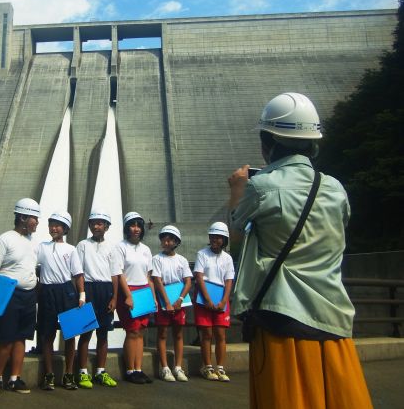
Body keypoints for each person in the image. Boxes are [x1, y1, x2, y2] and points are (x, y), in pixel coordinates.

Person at [229, 92, 373, 408]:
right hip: (333, 323)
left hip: (281, 322)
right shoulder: (335, 188)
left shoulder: (261, 186)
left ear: (269, 143)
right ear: (313, 142)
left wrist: (237, 191)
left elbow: (236, 242)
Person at [0, 198, 40, 396]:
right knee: (5, 338)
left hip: (29, 295)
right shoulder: (5, 239)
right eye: (34, 218)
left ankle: (15, 378)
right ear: (23, 217)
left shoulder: (33, 242)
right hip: (10, 294)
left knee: (21, 338)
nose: (37, 223)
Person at [35, 212, 84, 391]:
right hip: (47, 291)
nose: (54, 228)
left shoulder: (71, 249)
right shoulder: (42, 247)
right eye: (51, 224)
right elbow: (33, 264)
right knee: (47, 335)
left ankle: (69, 373)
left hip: (66, 291)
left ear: (65, 229)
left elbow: (78, 274)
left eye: (58, 225)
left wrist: (82, 295)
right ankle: (49, 375)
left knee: (70, 334)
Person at [75, 210, 120, 389]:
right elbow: (77, 273)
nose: (96, 226)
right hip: (89, 288)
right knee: (85, 333)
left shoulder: (112, 247)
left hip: (106, 290)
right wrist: (81, 294)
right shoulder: (82, 245)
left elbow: (115, 275)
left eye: (100, 223)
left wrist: (115, 298)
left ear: (106, 227)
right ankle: (82, 372)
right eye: (93, 223)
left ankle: (101, 371)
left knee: (103, 334)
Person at [115, 211, 155, 384]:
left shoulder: (146, 249)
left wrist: (152, 298)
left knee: (141, 333)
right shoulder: (120, 247)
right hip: (129, 291)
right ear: (126, 228)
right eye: (132, 225)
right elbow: (120, 273)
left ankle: (139, 369)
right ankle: (130, 370)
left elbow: (149, 277)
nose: (136, 229)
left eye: (139, 225)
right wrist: (128, 296)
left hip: (144, 290)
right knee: (132, 331)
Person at [193, 222, 235, 382]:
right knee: (207, 334)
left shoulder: (228, 258)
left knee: (220, 334)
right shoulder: (202, 254)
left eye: (218, 237)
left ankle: (221, 368)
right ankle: (207, 366)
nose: (215, 240)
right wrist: (208, 300)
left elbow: (229, 280)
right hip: (204, 299)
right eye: (213, 236)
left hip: (221, 299)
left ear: (224, 239)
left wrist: (224, 301)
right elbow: (199, 277)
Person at [151, 225, 192, 382]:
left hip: (179, 303)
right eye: (164, 239)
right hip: (164, 302)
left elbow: (188, 281)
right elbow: (158, 281)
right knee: (162, 333)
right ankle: (165, 367)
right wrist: (167, 303)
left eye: (169, 240)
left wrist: (179, 300)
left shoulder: (181, 260)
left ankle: (178, 367)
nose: (165, 242)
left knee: (178, 334)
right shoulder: (157, 259)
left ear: (176, 242)